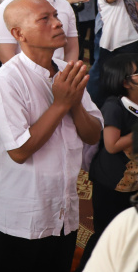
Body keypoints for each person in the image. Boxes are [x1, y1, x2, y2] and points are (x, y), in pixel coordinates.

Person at [0, 0, 103, 272]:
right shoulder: (6, 80)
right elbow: (19, 151)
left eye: (56, 16)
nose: (58, 23)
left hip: (62, 208)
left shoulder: (66, 71)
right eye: (45, 19)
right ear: (18, 34)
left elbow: (93, 134)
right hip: (21, 213)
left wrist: (73, 103)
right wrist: (61, 103)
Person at [78, 54, 138, 270]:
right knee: (106, 233)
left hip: (131, 183)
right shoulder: (114, 106)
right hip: (111, 182)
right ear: (125, 81)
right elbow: (112, 145)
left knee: (127, 232)